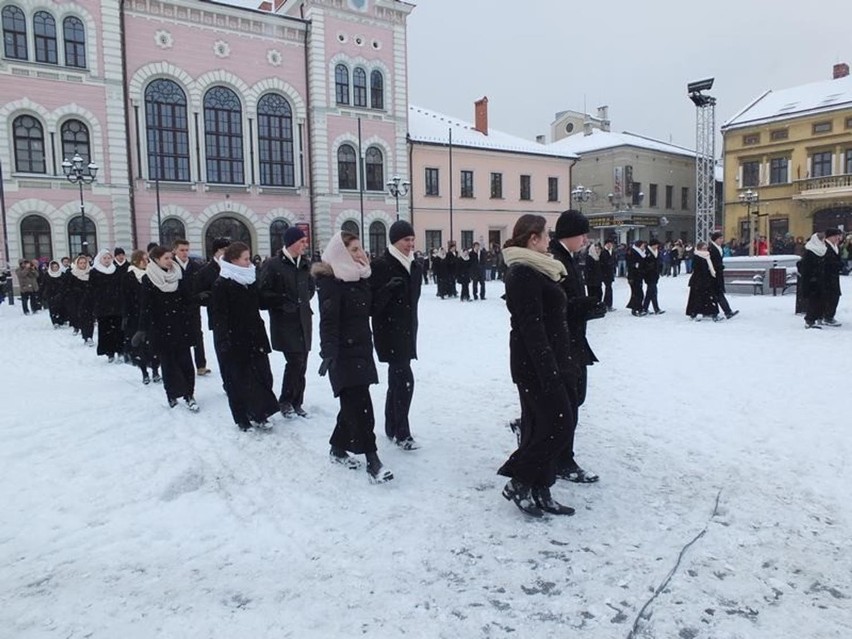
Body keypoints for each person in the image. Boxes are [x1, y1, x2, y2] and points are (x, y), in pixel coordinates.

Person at [498, 214, 576, 518]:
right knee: (559, 425)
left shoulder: (539, 268)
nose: (549, 240)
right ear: (533, 238)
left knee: (543, 426)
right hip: (536, 365)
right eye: (546, 235)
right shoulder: (522, 272)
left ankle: (541, 488)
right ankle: (520, 480)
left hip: (551, 359)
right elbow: (532, 329)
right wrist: (549, 371)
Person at [313, 231, 392, 484]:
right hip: (343, 354)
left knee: (352, 405)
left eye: (361, 249)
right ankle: (372, 460)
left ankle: (338, 447)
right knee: (361, 406)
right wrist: (328, 353)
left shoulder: (358, 278)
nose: (361, 254)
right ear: (341, 252)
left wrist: (385, 292)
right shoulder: (331, 283)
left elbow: (367, 310)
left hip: (361, 350)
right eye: (355, 250)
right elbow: (328, 322)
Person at [548, 210, 604, 484]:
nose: (585, 238)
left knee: (573, 400)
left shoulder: (567, 257)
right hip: (564, 343)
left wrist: (588, 307)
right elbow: (555, 306)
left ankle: (553, 447)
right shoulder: (556, 259)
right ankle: (563, 459)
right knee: (568, 404)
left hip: (572, 340)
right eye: (581, 233)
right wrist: (583, 306)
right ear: (569, 234)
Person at [210, 242, 279, 430]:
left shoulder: (250, 279)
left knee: (263, 375)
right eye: (246, 259)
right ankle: (242, 418)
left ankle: (261, 412)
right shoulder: (222, 284)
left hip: (255, 335)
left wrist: (277, 298)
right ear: (234, 260)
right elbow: (219, 316)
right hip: (234, 339)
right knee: (238, 379)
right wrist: (224, 339)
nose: (250, 262)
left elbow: (259, 302)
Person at [369, 219, 422, 450]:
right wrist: (386, 290)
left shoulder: (416, 265)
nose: (410, 244)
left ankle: (392, 426)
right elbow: (371, 306)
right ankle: (402, 433)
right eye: (405, 240)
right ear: (394, 241)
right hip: (389, 332)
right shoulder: (381, 265)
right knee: (404, 381)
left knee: (397, 380)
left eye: (412, 239)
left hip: (408, 331)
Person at [259, 226, 315, 418]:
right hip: (285, 322)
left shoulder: (304, 263)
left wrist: (305, 298)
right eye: (301, 241)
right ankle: (285, 401)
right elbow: (263, 295)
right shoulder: (273, 265)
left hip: (304, 320)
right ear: (291, 243)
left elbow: (310, 287)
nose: (305, 245)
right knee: (295, 361)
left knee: (303, 363)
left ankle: (297, 401)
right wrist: (282, 302)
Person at [135, 246, 199, 411]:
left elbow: (188, 300)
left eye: (171, 258)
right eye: (166, 258)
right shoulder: (149, 278)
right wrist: (142, 329)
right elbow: (146, 306)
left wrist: (192, 319)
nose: (170, 261)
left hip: (181, 325)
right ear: (156, 260)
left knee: (186, 362)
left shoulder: (178, 275)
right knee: (168, 363)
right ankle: (171, 394)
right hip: (161, 327)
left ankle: (189, 394)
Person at [172, 239, 210, 376]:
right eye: (182, 250)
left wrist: (200, 296)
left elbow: (201, 285)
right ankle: (181, 365)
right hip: (176, 308)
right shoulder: (171, 266)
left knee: (197, 334)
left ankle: (201, 364)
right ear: (175, 250)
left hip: (193, 307)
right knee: (180, 337)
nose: (184, 253)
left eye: (187, 250)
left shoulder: (195, 266)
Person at [123, 250, 161, 385]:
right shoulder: (129, 276)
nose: (146, 262)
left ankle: (156, 369)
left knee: (154, 344)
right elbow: (126, 298)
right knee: (139, 346)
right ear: (136, 261)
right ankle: (144, 371)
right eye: (143, 260)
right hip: (135, 316)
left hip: (150, 314)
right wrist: (126, 316)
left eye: (147, 259)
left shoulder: (152, 274)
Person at [90, 249, 125, 362]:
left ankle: (120, 351)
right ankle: (109, 352)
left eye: (108, 258)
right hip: (102, 307)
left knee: (118, 330)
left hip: (116, 305)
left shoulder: (116, 270)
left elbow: (121, 287)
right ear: (100, 259)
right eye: (104, 258)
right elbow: (91, 289)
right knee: (105, 330)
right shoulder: (94, 272)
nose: (106, 260)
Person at [194, 237, 231, 334]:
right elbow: (199, 294)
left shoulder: (233, 267)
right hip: (217, 317)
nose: (227, 253)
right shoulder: (206, 271)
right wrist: (214, 298)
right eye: (224, 250)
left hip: (235, 315)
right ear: (216, 251)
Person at [686, 241, 720, 321]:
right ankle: (694, 313)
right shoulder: (697, 256)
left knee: (708, 298)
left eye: (706, 248)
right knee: (697, 298)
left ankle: (710, 313)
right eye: (703, 248)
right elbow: (696, 269)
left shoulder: (707, 256)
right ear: (699, 249)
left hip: (706, 280)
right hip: (698, 281)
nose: (705, 250)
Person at [709, 231, 739, 320]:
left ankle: (726, 311)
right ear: (715, 239)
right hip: (714, 275)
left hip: (717, 274)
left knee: (717, 294)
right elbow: (711, 261)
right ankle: (720, 313)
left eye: (722, 238)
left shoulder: (718, 247)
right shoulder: (712, 248)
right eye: (720, 238)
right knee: (716, 294)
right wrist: (719, 267)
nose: (722, 240)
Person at [66, 255, 95, 345]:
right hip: (77, 300)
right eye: (80, 263)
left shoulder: (91, 273)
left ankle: (90, 336)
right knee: (83, 318)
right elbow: (68, 287)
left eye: (84, 263)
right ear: (77, 264)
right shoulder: (72, 274)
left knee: (90, 319)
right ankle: (86, 336)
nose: (83, 265)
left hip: (90, 299)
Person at [642, 238, 664, 314]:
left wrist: (659, 270)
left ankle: (648, 308)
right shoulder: (646, 252)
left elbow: (659, 262)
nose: (657, 246)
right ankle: (653, 308)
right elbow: (644, 263)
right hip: (649, 274)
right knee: (652, 291)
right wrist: (650, 267)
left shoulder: (657, 251)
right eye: (656, 245)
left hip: (655, 274)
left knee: (652, 291)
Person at [42, 260, 68, 327]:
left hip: (61, 294)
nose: (55, 268)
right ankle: (55, 322)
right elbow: (44, 285)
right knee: (53, 309)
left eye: (56, 267)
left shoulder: (62, 274)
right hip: (51, 294)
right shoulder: (47, 275)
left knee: (62, 308)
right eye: (53, 267)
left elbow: (66, 284)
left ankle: (61, 320)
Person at [626, 240, 647, 316]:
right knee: (638, 293)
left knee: (637, 293)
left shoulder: (642, 253)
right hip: (634, 277)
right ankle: (637, 309)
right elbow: (630, 266)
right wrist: (631, 277)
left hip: (639, 276)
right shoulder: (633, 252)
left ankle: (636, 308)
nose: (644, 247)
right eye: (643, 245)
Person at [599, 238, 616, 310]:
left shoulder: (612, 252)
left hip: (610, 272)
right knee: (608, 288)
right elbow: (604, 263)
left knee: (608, 288)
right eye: (608, 244)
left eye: (611, 244)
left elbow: (614, 261)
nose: (610, 245)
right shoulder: (603, 252)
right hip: (605, 273)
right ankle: (608, 304)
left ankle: (607, 303)